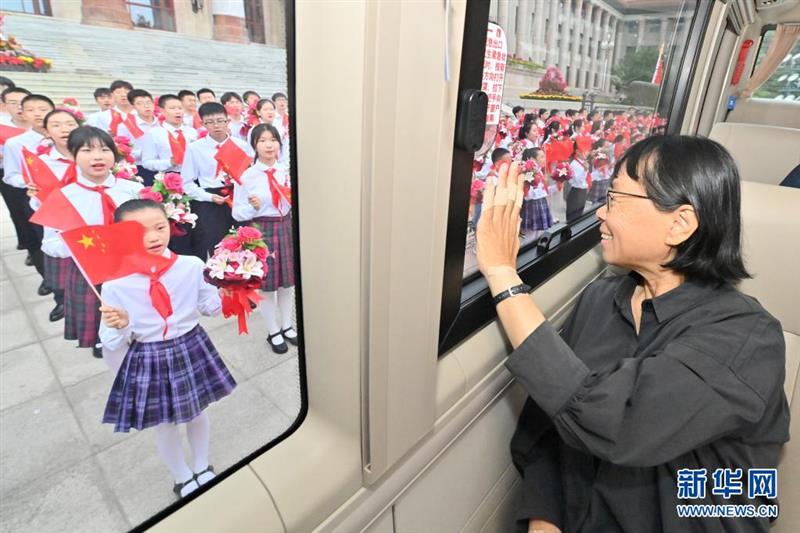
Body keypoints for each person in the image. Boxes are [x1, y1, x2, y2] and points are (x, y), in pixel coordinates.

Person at [475, 135, 789, 533]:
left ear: (679, 223)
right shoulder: (601, 299)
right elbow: (553, 426)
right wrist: (545, 520)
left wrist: (503, 276)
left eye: (615, 198)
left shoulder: (747, 337)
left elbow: (620, 423)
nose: (601, 214)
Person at [99, 198, 236, 498]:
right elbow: (108, 341)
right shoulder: (116, 284)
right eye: (138, 232)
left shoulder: (191, 266)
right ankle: (182, 476)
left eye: (160, 227)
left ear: (170, 225)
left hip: (191, 346)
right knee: (165, 423)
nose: (153, 237)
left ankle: (202, 465)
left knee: (197, 412)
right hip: (149, 355)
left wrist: (229, 293)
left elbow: (208, 307)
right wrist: (120, 325)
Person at [57, 126, 143, 357]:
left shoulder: (134, 189)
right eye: (87, 150)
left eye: (104, 150)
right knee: (103, 315)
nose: (97, 157)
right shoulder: (64, 197)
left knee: (139, 309)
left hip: (132, 264)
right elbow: (50, 244)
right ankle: (103, 343)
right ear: (72, 155)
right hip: (90, 269)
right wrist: (80, 245)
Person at [231, 123, 297, 353]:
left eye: (273, 140)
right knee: (267, 287)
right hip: (262, 231)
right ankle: (273, 331)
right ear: (254, 145)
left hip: (286, 227)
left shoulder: (286, 172)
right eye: (262, 141)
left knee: (287, 284)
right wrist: (253, 207)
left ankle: (287, 326)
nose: (269, 145)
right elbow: (236, 213)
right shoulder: (246, 176)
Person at [26, 109, 80, 322]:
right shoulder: (42, 163)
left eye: (70, 124)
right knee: (65, 279)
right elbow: (37, 205)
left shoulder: (95, 155)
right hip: (60, 228)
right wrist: (35, 196)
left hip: (93, 225)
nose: (64, 129)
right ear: (47, 132)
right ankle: (63, 303)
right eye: (56, 125)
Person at [181, 102, 253, 259]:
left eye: (220, 120)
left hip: (236, 197)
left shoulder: (241, 145)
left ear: (228, 121)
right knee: (211, 243)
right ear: (203, 124)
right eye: (210, 122)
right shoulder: (195, 148)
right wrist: (209, 197)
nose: (216, 126)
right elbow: (186, 182)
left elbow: (248, 176)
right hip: (209, 199)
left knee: (241, 242)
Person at [3, 93, 55, 291]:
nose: (38, 114)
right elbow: (10, 176)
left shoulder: (65, 136)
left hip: (66, 198)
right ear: (22, 114)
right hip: (37, 198)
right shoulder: (16, 143)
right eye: (31, 110)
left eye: (43, 109)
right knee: (41, 239)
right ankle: (51, 283)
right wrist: (29, 182)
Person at [0, 86, 32, 255]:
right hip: (13, 177)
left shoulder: (45, 125)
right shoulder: (3, 127)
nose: (19, 107)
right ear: (5, 105)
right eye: (13, 103)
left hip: (41, 177)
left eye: (23, 102)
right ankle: (30, 247)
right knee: (20, 212)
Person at [141, 94, 198, 176]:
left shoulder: (192, 132)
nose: (178, 111)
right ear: (162, 111)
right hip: (168, 177)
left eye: (180, 108)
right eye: (172, 108)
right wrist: (170, 162)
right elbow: (147, 162)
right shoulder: (154, 133)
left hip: (193, 175)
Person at [118, 89, 159, 186]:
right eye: (140, 103)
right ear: (133, 106)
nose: (146, 106)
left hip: (164, 166)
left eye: (148, 102)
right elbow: (123, 152)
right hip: (141, 168)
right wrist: (144, 153)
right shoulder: (125, 126)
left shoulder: (162, 123)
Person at [520, 148, 552, 234]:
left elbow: (542, 190)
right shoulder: (528, 172)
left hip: (539, 202)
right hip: (532, 205)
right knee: (530, 235)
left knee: (539, 233)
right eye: (541, 157)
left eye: (544, 156)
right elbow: (527, 196)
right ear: (532, 159)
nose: (544, 159)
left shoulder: (539, 171)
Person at [566, 139, 590, 223]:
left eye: (588, 150)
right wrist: (585, 170)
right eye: (585, 150)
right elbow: (579, 181)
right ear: (577, 152)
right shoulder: (574, 164)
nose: (587, 153)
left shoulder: (582, 162)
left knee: (579, 216)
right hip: (576, 193)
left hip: (582, 192)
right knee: (573, 219)